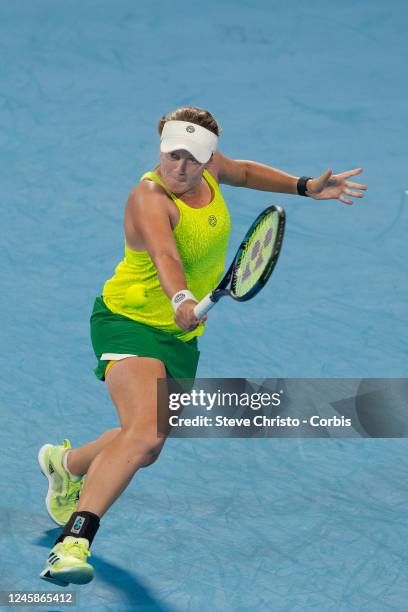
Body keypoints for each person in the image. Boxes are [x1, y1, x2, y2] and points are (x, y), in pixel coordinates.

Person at [38, 106, 367, 585]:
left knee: (145, 444)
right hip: (128, 322)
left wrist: (304, 186)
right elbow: (166, 253)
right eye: (173, 156)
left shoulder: (210, 167)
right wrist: (182, 297)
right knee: (146, 432)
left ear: (206, 156)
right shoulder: (148, 198)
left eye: (192, 159)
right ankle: (72, 543)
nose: (181, 168)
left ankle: (65, 464)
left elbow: (246, 172)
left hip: (181, 336)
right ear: (160, 150)